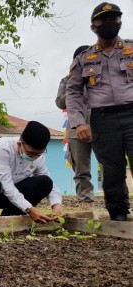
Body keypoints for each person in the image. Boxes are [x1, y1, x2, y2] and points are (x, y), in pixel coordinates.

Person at [66, 2, 132, 221]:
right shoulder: (84, 58)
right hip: (103, 119)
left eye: (114, 19)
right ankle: (119, 214)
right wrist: (79, 122)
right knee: (112, 170)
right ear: (94, 27)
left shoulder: (131, 49)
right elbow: (73, 92)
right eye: (103, 20)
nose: (109, 24)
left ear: (120, 22)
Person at [0, 121, 64, 223]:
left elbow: (47, 178)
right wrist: (29, 209)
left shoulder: (38, 156)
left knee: (45, 182)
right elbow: (6, 184)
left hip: (12, 197)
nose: (34, 157)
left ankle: (9, 217)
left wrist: (57, 204)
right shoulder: (3, 147)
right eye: (31, 153)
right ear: (20, 144)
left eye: (39, 154)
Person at [55, 45, 94, 203]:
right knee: (80, 167)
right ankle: (86, 201)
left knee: (110, 164)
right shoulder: (66, 81)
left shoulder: (100, 77)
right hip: (75, 126)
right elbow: (59, 102)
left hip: (101, 124)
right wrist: (73, 89)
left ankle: (115, 201)